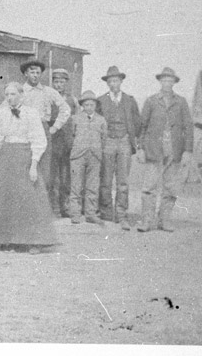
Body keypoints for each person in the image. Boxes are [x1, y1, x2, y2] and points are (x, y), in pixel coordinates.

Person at [0, 82, 58, 253]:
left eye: (12, 94)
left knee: (29, 198)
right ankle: (7, 240)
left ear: (21, 95)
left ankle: (33, 241)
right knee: (7, 198)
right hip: (6, 157)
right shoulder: (2, 113)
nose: (9, 98)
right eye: (7, 95)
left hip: (25, 157)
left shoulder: (31, 113)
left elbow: (39, 140)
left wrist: (34, 165)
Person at [136, 67, 194, 233]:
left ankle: (164, 220)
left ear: (174, 83)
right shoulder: (151, 101)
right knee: (149, 187)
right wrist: (140, 149)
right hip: (154, 150)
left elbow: (188, 127)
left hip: (174, 151)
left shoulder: (181, 102)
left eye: (170, 80)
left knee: (170, 188)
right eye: (164, 80)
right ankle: (147, 220)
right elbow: (142, 126)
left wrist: (187, 151)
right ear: (160, 82)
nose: (167, 83)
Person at [16, 59, 71, 212]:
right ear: (26, 73)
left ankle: (42, 210)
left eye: (38, 72)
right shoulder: (19, 90)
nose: (35, 75)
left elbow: (65, 109)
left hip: (43, 130)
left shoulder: (48, 91)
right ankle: (25, 208)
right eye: (32, 72)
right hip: (24, 132)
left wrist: (54, 127)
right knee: (25, 168)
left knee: (44, 171)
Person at [97, 65, 142, 231]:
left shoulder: (130, 100)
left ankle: (122, 213)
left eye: (116, 80)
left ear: (121, 81)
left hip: (124, 142)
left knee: (123, 181)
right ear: (107, 83)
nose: (113, 84)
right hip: (107, 141)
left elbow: (137, 122)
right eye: (110, 81)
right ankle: (107, 212)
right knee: (106, 179)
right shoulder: (100, 100)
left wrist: (131, 137)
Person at [68, 90, 107, 225]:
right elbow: (71, 135)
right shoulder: (75, 118)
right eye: (86, 105)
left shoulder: (101, 120)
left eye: (92, 104)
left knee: (92, 186)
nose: (89, 107)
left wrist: (97, 150)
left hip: (94, 156)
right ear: (82, 106)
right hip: (78, 155)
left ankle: (90, 213)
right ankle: (75, 213)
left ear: (95, 105)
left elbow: (104, 138)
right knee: (76, 185)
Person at [48, 69, 79, 218]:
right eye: (56, 81)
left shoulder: (72, 100)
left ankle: (64, 206)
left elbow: (76, 121)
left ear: (66, 83)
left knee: (66, 177)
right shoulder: (49, 98)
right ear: (52, 82)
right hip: (53, 142)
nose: (59, 84)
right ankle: (54, 207)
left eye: (61, 82)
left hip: (67, 143)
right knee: (53, 177)